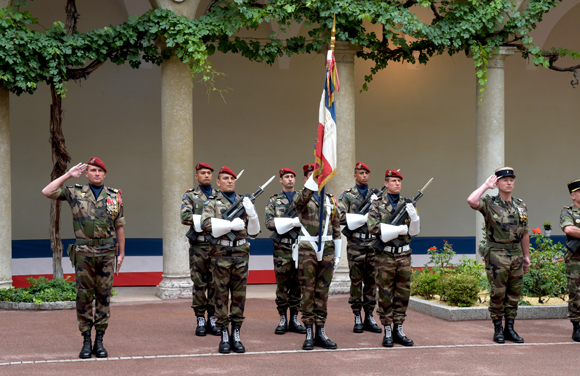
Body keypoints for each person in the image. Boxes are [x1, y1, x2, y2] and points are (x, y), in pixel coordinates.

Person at [41, 158, 125, 359]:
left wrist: (121, 253)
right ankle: (86, 340)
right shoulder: (75, 192)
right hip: (84, 253)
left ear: (105, 174)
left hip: (106, 252)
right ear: (87, 174)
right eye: (93, 170)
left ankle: (100, 341)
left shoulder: (114, 196)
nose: (96, 173)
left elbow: (119, 226)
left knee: (104, 296)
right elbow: (47, 191)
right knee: (84, 297)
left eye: (100, 171)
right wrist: (69, 175)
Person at [200, 166, 260, 354]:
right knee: (221, 295)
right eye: (225, 178)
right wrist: (229, 225)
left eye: (232, 178)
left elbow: (254, 232)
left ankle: (236, 333)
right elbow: (205, 223)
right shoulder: (212, 202)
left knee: (239, 296)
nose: (229, 181)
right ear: (218, 182)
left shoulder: (245, 201)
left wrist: (252, 214)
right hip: (220, 253)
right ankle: (224, 334)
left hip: (241, 253)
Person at [467, 167, 530, 344]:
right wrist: (486, 186)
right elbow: (471, 200)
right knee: (498, 293)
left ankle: (510, 328)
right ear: (498, 183)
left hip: (516, 254)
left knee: (514, 294)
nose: (509, 183)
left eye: (511, 180)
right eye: (505, 180)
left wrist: (526, 256)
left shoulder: (520, 204)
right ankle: (498, 329)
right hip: (497, 253)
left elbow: (525, 233)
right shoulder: (489, 202)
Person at [368, 169, 420, 347]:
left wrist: (415, 219)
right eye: (393, 181)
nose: (397, 183)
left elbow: (414, 232)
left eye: (399, 181)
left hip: (404, 255)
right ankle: (387, 329)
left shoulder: (407, 204)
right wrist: (397, 230)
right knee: (385, 293)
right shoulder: (377, 204)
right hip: (385, 255)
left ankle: (399, 328)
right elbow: (372, 228)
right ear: (386, 184)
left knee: (403, 293)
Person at [293, 164, 341, 350]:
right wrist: (313, 180)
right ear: (306, 178)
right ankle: (309, 332)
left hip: (327, 247)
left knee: (323, 291)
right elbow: (299, 202)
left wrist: (337, 255)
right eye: (313, 176)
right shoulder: (302, 197)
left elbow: (336, 228)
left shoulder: (330, 200)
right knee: (308, 290)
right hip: (308, 248)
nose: (319, 179)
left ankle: (320, 330)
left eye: (320, 177)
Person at [338, 162, 382, 334]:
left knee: (371, 282)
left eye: (366, 173)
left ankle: (369, 316)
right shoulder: (348, 196)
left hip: (372, 243)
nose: (364, 175)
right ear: (355, 175)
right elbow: (340, 217)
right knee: (356, 281)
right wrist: (361, 218)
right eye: (361, 173)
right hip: (356, 243)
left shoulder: (376, 196)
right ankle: (357, 315)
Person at [264, 168, 307, 335]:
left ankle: (294, 319)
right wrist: (290, 223)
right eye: (286, 177)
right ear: (281, 180)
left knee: (297, 283)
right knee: (282, 284)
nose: (290, 179)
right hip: (282, 247)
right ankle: (282, 319)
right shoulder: (274, 200)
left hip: (300, 245)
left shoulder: (302, 199)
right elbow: (269, 222)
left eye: (292, 177)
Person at [180, 162, 220, 337]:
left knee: (215, 283)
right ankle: (200, 319)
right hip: (199, 245)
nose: (206, 176)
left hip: (216, 245)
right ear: (197, 176)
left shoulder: (219, 196)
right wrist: (208, 220)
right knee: (199, 283)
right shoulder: (190, 196)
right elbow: (185, 216)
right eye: (203, 173)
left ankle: (212, 317)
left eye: (209, 173)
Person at [560, 179, 580, 342]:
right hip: (576, 260)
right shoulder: (568, 212)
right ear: (573, 196)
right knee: (576, 293)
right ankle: (577, 326)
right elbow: (569, 229)